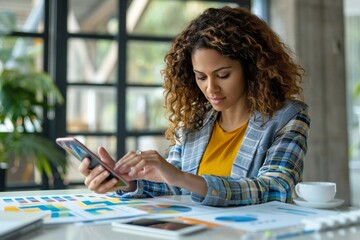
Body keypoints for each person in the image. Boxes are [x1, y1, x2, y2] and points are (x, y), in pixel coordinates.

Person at [79, 6, 310, 207]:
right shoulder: (194, 120)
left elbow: (277, 188)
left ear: (251, 70)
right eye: (201, 77)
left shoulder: (287, 117)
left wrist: (180, 177)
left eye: (223, 75)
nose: (211, 89)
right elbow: (177, 187)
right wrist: (125, 182)